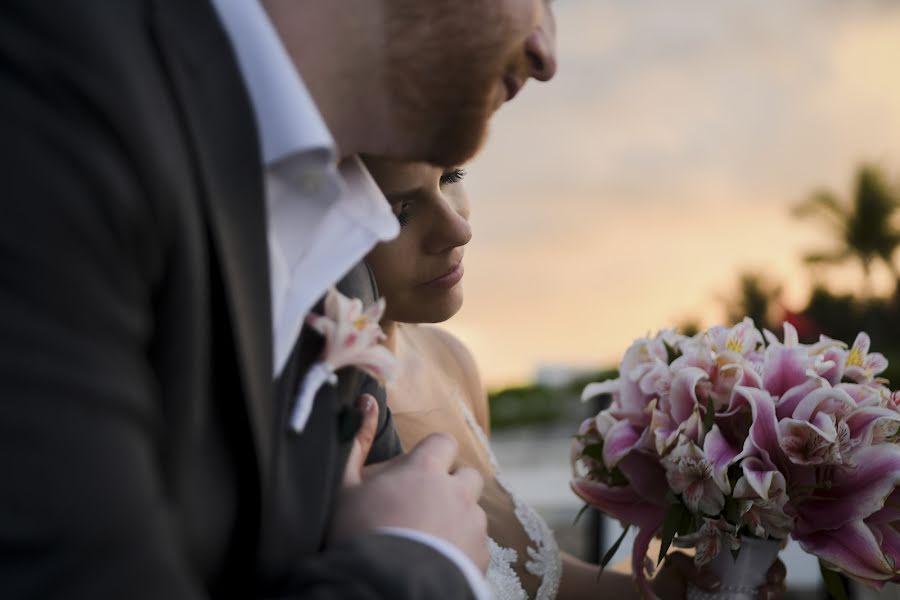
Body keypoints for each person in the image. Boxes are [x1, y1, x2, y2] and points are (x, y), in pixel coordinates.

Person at [0, 1, 556, 599]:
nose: (546, 49)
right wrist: (416, 562)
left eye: (452, 179)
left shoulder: (343, 280)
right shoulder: (56, 86)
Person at [363, 158, 789, 600]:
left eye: (451, 177)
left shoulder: (451, 363)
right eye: (400, 211)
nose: (458, 229)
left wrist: (654, 592)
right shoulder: (338, 424)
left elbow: (525, 571)